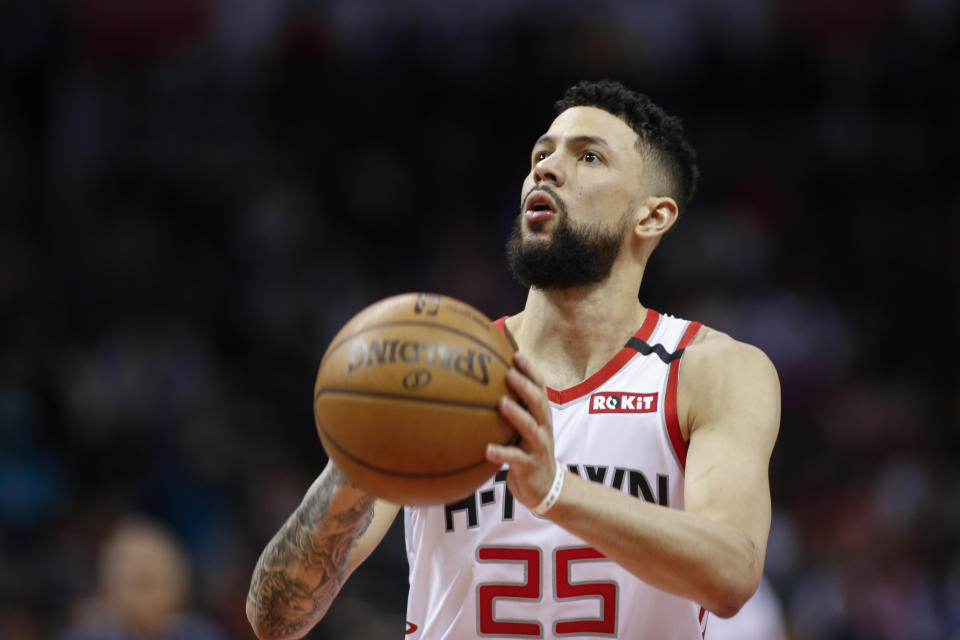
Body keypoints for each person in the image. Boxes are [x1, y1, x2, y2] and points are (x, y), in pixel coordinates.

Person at [246, 79, 780, 640]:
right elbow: (275, 618)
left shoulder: (710, 369)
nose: (546, 170)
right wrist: (355, 457)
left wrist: (556, 491)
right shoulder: (436, 375)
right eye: (541, 154)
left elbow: (731, 574)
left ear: (651, 217)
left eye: (589, 157)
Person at [57, 515, 227, 640]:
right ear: (109, 587)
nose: (147, 598)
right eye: (139, 583)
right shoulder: (84, 636)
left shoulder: (203, 635)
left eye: (154, 583)